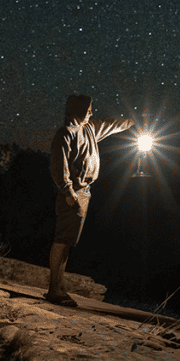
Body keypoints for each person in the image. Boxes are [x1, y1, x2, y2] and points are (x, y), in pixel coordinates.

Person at [46, 94, 132, 307]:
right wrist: (68, 192)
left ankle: (58, 287)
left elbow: (111, 125)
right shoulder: (65, 134)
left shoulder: (89, 129)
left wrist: (134, 120)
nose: (92, 112)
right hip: (72, 193)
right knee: (62, 240)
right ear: (77, 109)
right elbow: (58, 166)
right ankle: (54, 290)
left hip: (84, 191)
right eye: (89, 108)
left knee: (68, 242)